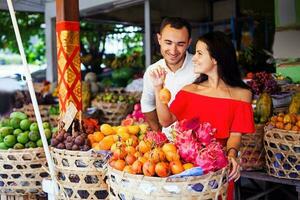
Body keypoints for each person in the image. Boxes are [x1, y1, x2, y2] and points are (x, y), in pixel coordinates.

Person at [150, 31, 255, 200]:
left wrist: (232, 155)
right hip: (187, 170)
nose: (194, 58)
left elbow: (235, 136)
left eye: (199, 53)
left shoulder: (242, 94)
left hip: (219, 169)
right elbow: (165, 120)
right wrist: (157, 88)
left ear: (215, 58)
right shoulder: (189, 91)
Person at [141, 17, 198, 132]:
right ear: (159, 39)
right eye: (168, 42)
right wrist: (158, 134)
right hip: (167, 146)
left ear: (189, 43)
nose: (173, 51)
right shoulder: (152, 71)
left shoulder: (199, 68)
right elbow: (147, 105)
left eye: (180, 44)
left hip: (198, 144)